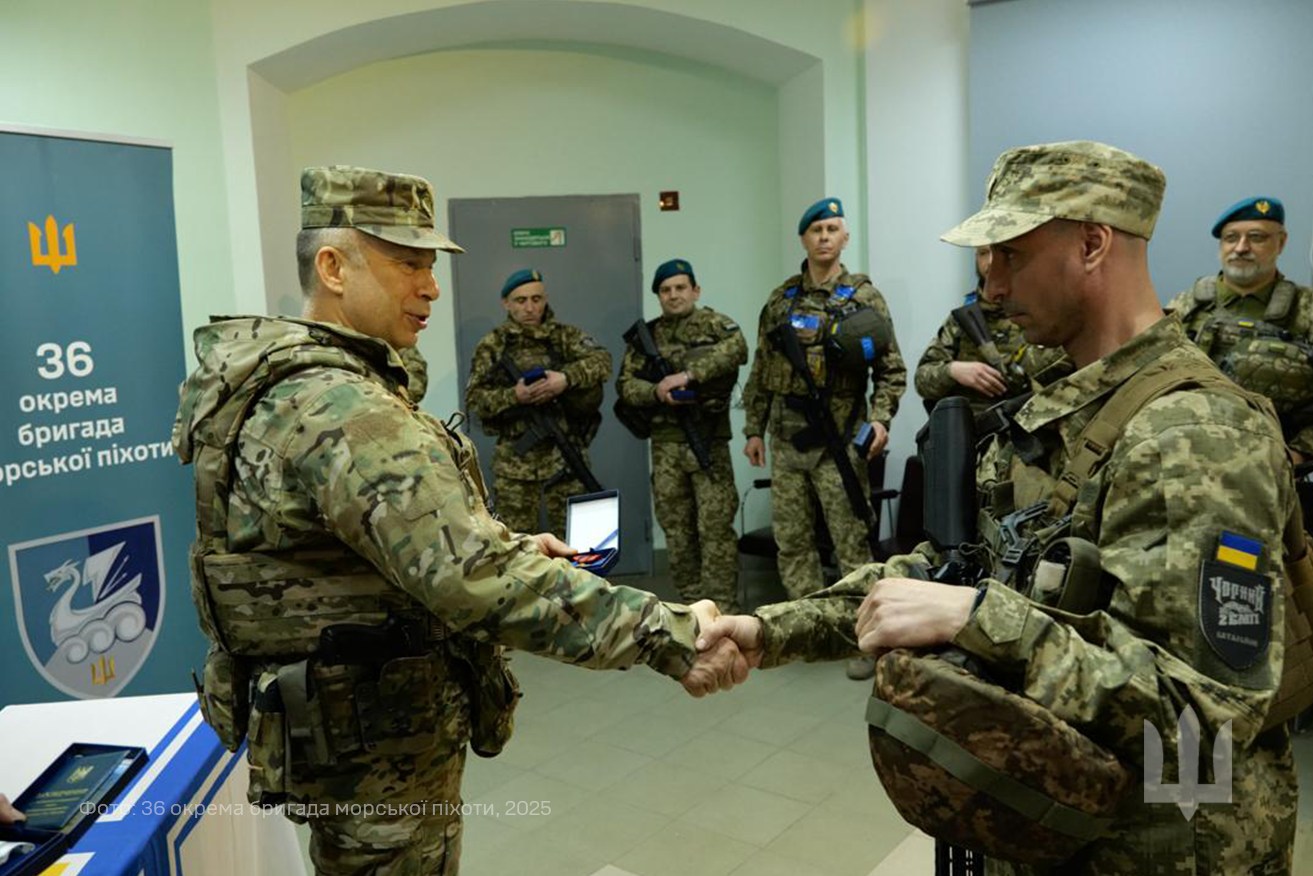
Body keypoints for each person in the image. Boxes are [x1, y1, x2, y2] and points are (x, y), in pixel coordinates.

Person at [701, 142, 1297, 874]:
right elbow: (952, 569)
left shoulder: (1193, 435)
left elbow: (1201, 709)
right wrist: (768, 630)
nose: (991, 281)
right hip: (1052, 823)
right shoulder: (1059, 399)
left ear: (1091, 244)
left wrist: (977, 618)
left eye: (1010, 254)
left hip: (1160, 847)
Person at [172, 166, 746, 876]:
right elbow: (470, 577)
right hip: (376, 747)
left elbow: (365, 549)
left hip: (351, 725)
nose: (432, 288)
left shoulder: (296, 381)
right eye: (407, 264)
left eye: (432, 266)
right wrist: (669, 633)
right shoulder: (343, 409)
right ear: (333, 268)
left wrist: (506, 545)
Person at [740, 196, 906, 680]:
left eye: (833, 229)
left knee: (851, 544)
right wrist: (753, 429)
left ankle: (862, 639)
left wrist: (880, 420)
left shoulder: (864, 298)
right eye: (816, 230)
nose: (825, 237)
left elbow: (891, 370)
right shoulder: (781, 300)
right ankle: (807, 632)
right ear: (804, 239)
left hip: (839, 442)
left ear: (845, 237)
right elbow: (761, 372)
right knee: (792, 542)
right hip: (786, 440)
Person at [615, 258, 748, 611]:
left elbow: (738, 349)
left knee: (716, 528)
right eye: (665, 290)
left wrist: (688, 375)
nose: (673, 295)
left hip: (708, 442)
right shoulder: (646, 337)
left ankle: (723, 609)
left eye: (680, 288)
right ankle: (692, 607)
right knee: (677, 530)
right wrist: (656, 391)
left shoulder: (716, 325)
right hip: (666, 446)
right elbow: (625, 385)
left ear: (695, 290)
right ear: (658, 295)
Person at [466, 268, 612, 537]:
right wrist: (515, 395)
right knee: (517, 546)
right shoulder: (493, 345)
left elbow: (603, 361)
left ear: (545, 299)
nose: (530, 308)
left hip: (566, 458)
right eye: (521, 301)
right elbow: (474, 401)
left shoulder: (565, 337)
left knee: (576, 544)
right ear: (506, 303)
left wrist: (565, 379)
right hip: (515, 466)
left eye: (536, 299)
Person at [1166, 196, 1313, 463]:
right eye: (1231, 238)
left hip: (1274, 469)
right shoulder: (1184, 307)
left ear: (1281, 242)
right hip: (1187, 459)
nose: (1241, 248)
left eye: (1256, 237)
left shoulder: (1306, 311)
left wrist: (1298, 455)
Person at [914, 246, 1068, 416]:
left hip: (1034, 421)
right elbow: (922, 380)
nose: (989, 262)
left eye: (999, 253)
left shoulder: (1043, 313)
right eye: (983, 253)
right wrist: (953, 371)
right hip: (974, 425)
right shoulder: (965, 319)